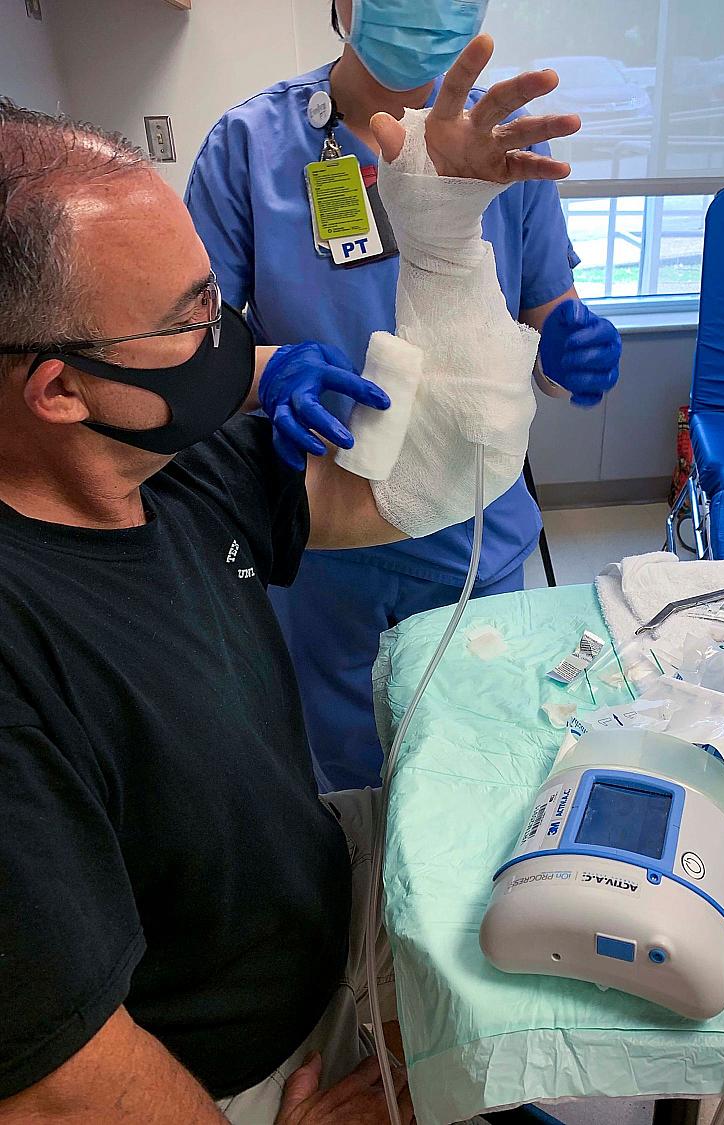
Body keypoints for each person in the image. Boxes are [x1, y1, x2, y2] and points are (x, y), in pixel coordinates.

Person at [0, 38, 577, 1125]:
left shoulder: (169, 470)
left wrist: (446, 236)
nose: (242, 347)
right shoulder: (23, 642)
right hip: (227, 1074)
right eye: (190, 321)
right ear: (59, 389)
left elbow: (435, 478)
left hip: (321, 917)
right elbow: (61, 1085)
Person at [186, 0, 623, 792]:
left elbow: (543, 305)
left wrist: (565, 349)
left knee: (478, 756)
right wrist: (264, 370)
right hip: (326, 524)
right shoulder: (249, 146)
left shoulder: (499, 142)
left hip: (472, 524)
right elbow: (191, 340)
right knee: (348, 774)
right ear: (346, 5)